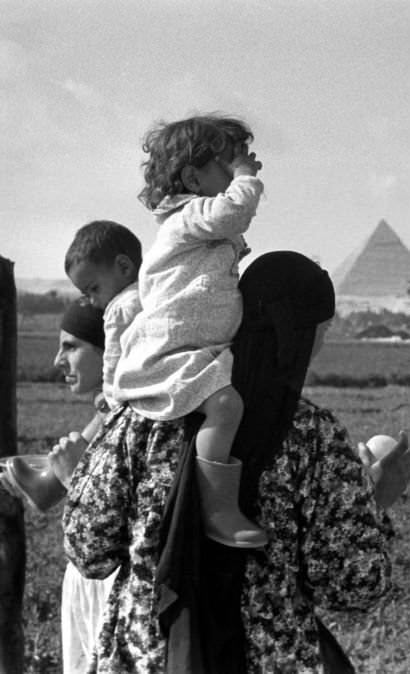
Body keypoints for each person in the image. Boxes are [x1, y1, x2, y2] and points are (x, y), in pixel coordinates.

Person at [63, 251, 410, 673]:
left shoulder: (144, 416)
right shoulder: (314, 439)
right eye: (322, 330)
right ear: (306, 335)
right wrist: (374, 506)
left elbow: (88, 550)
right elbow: (353, 586)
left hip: (149, 658)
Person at [111, 114, 265, 548]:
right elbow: (233, 211)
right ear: (193, 178)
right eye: (226, 164)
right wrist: (246, 178)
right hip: (174, 352)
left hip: (197, 347)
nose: (238, 170)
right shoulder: (187, 216)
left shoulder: (199, 224)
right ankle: (218, 508)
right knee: (226, 407)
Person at [0, 301, 116, 673]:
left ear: (109, 349)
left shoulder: (135, 419)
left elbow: (68, 490)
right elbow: (50, 488)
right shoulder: (108, 414)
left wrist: (67, 476)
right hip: (90, 584)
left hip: (108, 585)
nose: (56, 361)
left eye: (71, 346)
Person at [62, 220, 143, 410]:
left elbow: (113, 364)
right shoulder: (156, 294)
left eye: (94, 289)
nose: (91, 301)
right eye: (86, 294)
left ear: (124, 267)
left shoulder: (119, 309)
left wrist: (108, 399)